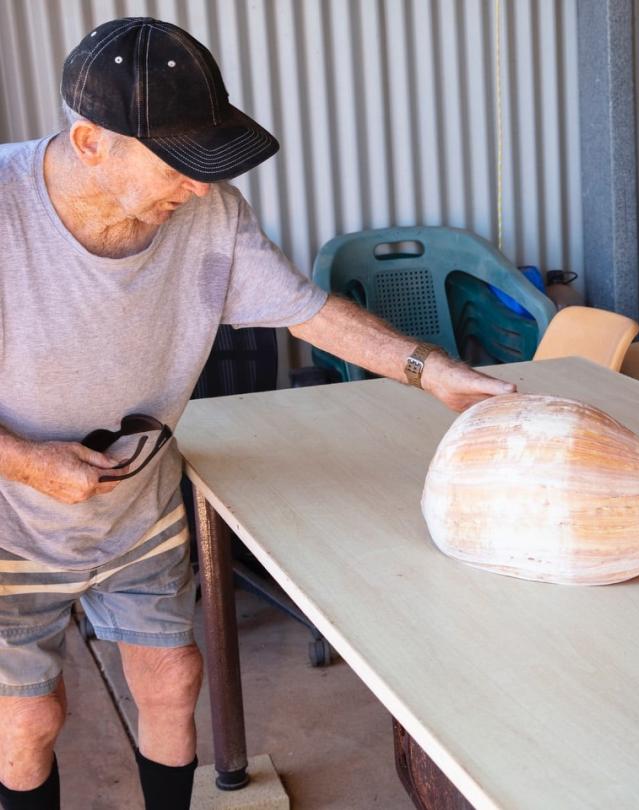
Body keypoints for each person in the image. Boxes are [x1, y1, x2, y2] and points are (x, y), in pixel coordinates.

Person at [0, 17, 514, 810]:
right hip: (8, 516)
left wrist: (429, 368)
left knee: (174, 679)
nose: (201, 186)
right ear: (92, 141)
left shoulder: (209, 215)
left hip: (133, 506)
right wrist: (28, 460)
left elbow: (305, 310)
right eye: (179, 163)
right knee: (27, 716)